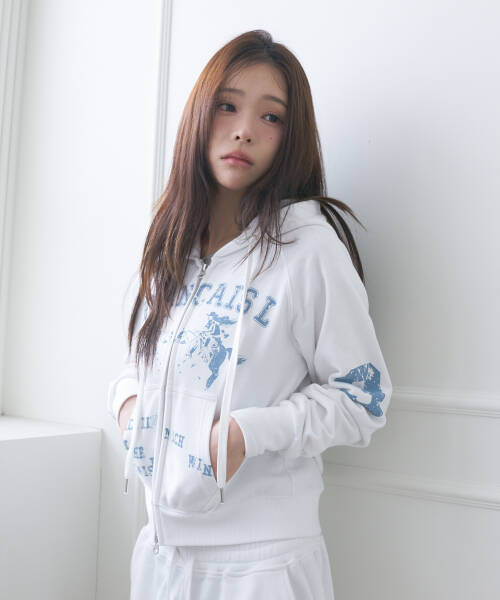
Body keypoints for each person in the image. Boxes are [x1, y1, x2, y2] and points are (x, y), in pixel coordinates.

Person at [107, 29, 392, 600]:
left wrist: (246, 433)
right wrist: (128, 404)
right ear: (200, 113)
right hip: (159, 555)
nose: (243, 130)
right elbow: (140, 364)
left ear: (291, 136)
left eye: (271, 117)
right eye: (227, 106)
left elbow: (365, 399)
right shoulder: (170, 246)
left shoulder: (309, 250)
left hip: (261, 566)